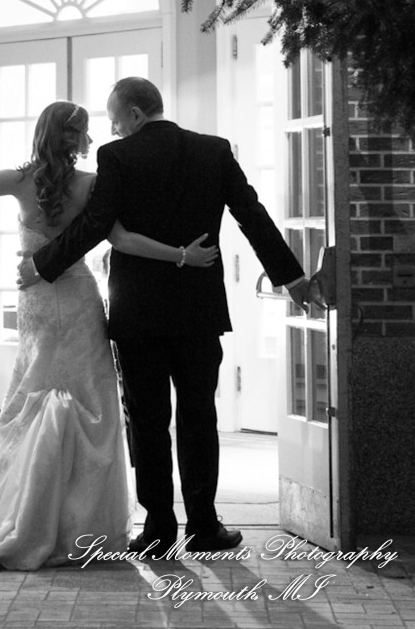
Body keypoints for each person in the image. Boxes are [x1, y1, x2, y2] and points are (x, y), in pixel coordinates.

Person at [0, 101, 217, 571]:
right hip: (78, 299)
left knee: (35, 397)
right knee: (90, 403)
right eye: (84, 133)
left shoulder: (19, 180)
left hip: (38, 303)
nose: (90, 139)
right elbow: (123, 240)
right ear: (73, 139)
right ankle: (78, 525)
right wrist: (181, 255)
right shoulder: (91, 184)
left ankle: (27, 514)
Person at [18, 77, 313, 559]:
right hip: (199, 309)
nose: (113, 130)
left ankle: (157, 529)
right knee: (199, 416)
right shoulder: (214, 151)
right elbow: (251, 215)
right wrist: (292, 278)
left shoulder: (116, 157)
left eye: (115, 120)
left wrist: (42, 264)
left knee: (147, 420)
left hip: (138, 311)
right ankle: (204, 526)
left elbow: (96, 226)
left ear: (135, 114)